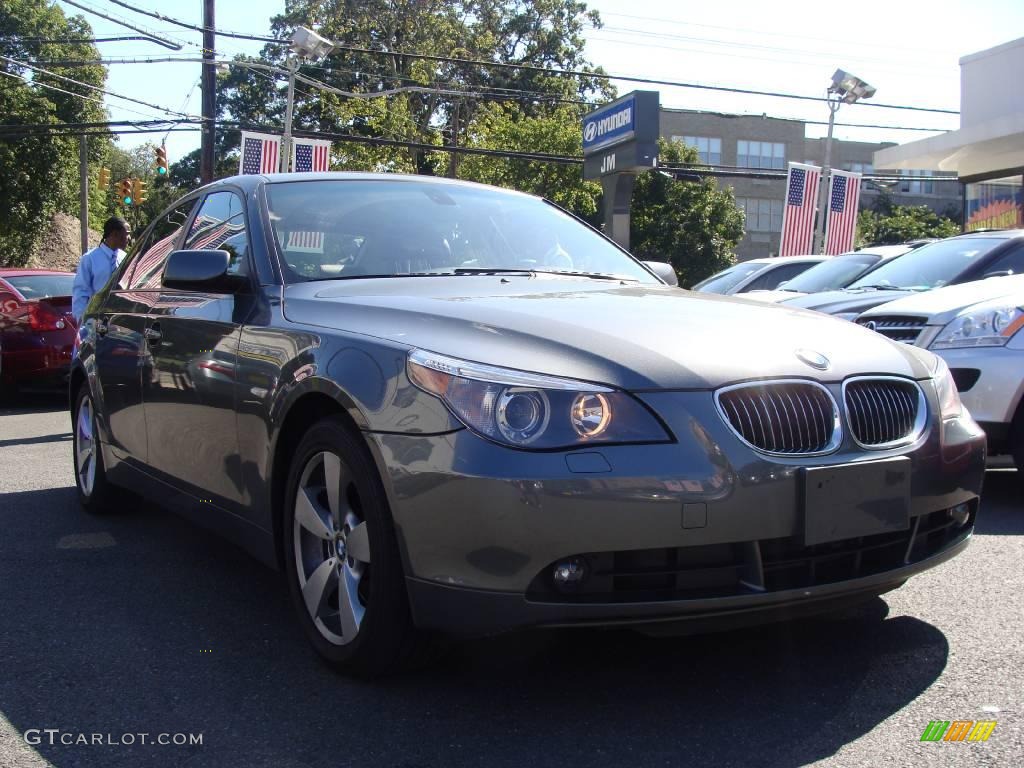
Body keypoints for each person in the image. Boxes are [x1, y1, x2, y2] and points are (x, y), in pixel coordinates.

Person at [72, 216, 131, 322]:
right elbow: (81, 292)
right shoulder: (90, 259)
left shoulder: (125, 258)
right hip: (96, 320)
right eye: (126, 234)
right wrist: (81, 320)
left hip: (121, 320)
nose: (129, 239)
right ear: (114, 234)